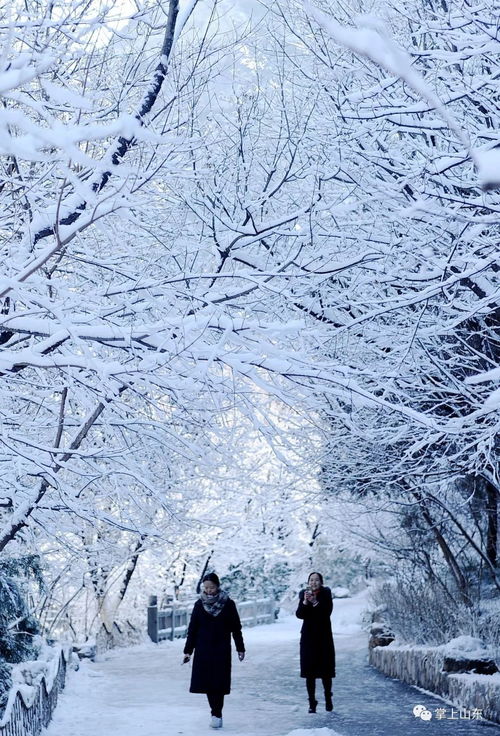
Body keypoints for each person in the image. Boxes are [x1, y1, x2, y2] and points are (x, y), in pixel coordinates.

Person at [182, 572, 245, 729]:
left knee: (219, 683)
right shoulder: (199, 604)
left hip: (221, 648)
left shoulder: (228, 604)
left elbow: (236, 628)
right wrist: (188, 650)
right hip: (203, 648)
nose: (209, 590)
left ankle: (217, 712)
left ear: (218, 586)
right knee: (208, 683)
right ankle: (214, 712)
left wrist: (240, 647)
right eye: (206, 588)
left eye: (212, 587)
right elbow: (193, 629)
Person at [296, 571, 335, 713]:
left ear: (321, 582)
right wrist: (305, 602)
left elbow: (326, 612)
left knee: (326, 671)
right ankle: (312, 702)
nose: (313, 582)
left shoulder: (326, 594)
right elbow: (299, 615)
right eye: (311, 580)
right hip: (308, 638)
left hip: (324, 637)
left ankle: (328, 697)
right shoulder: (303, 594)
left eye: (316, 580)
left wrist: (315, 602)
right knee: (309, 671)